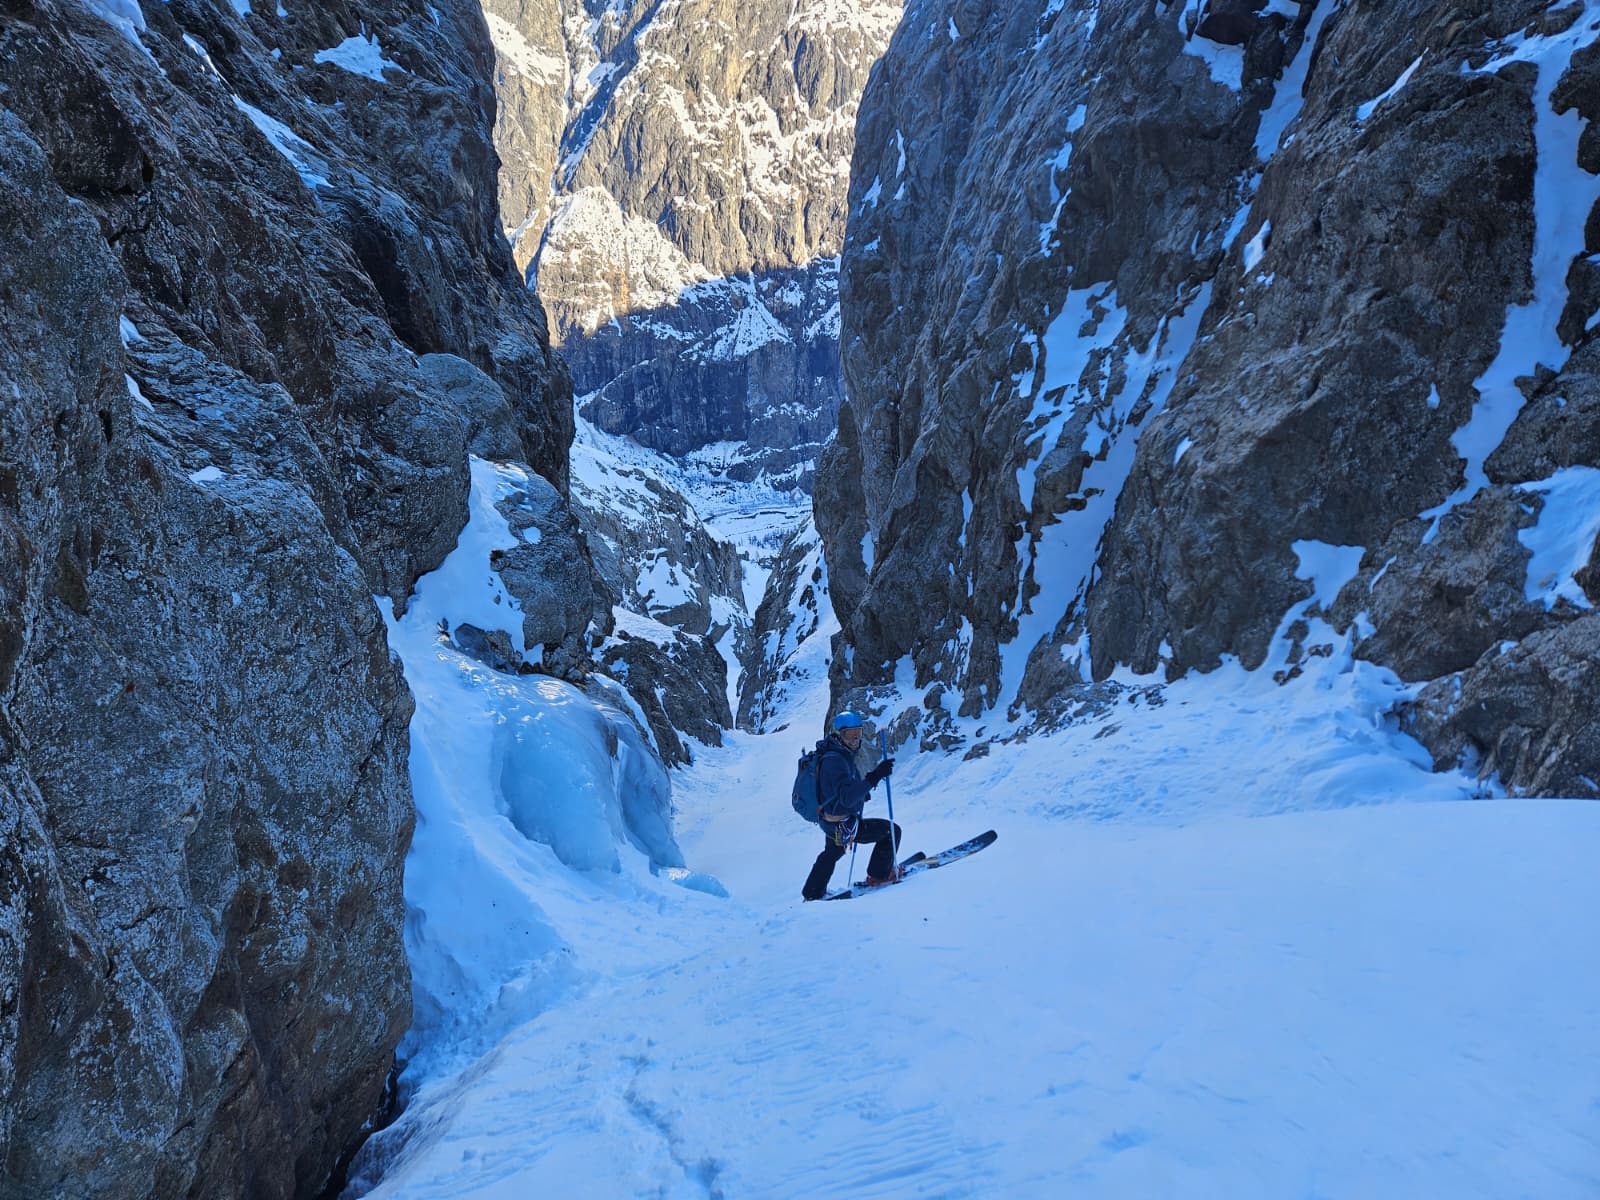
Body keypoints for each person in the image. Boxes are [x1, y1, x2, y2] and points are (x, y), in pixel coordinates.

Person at [800, 712, 899, 901]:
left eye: (858, 733)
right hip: (843, 823)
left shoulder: (833, 753)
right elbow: (846, 797)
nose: (855, 739)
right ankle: (880, 876)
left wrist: (862, 792)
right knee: (891, 832)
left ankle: (812, 892)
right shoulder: (835, 760)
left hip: (830, 820)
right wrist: (875, 776)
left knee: (833, 851)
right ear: (839, 735)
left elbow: (840, 790)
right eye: (849, 734)